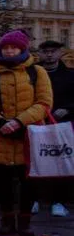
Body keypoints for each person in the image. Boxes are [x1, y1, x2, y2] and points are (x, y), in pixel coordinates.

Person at [0, 30, 53, 236]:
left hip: (29, 134)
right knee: (2, 182)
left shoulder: (36, 72)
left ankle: (25, 222)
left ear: (22, 49)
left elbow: (44, 103)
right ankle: (7, 220)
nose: (9, 51)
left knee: (28, 181)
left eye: (13, 47)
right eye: (5, 48)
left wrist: (19, 121)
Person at [35, 40, 73, 217]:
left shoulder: (70, 75)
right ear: (40, 54)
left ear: (60, 53)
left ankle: (59, 201)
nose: (49, 55)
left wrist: (68, 108)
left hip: (63, 124)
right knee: (35, 161)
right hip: (37, 122)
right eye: (46, 51)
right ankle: (35, 199)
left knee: (61, 162)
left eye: (53, 51)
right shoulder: (33, 73)